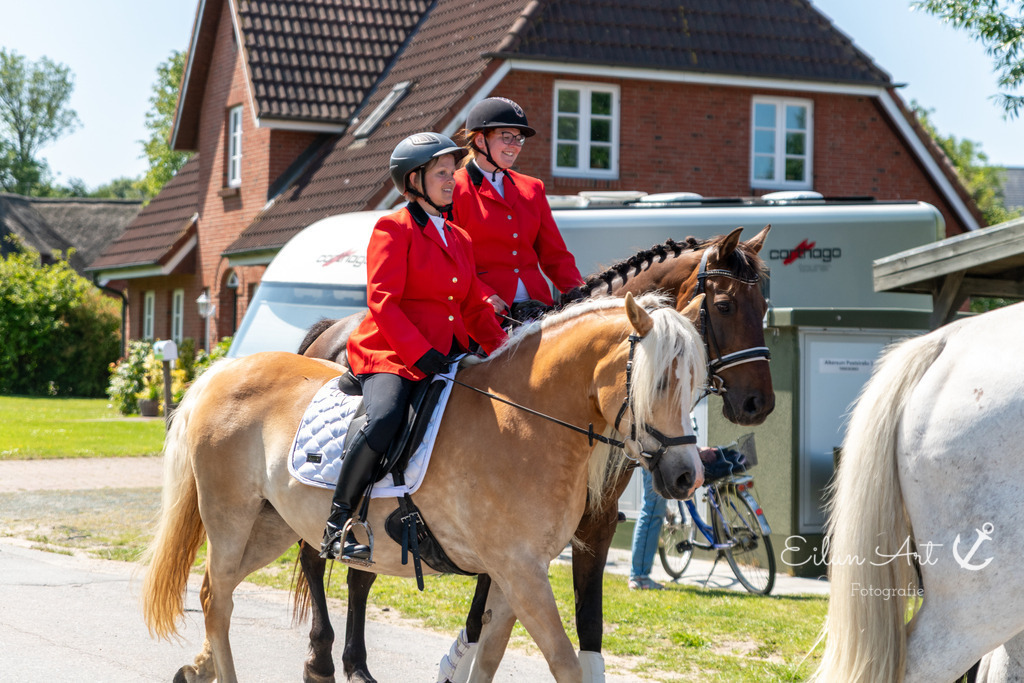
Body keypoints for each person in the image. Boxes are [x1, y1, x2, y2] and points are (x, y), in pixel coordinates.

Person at [321, 132, 508, 561]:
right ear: (413, 181)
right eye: (442, 173)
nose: (451, 181)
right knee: (384, 418)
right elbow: (382, 302)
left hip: (447, 352)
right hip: (392, 351)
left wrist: (505, 351)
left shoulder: (459, 237)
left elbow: (473, 306)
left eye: (453, 173)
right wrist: (421, 356)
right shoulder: (393, 227)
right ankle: (338, 520)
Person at [452, 97, 584, 318]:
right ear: (481, 140)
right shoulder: (453, 189)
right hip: (485, 311)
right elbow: (452, 262)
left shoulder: (533, 188)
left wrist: (580, 293)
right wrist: (482, 294)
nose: (514, 145)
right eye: (506, 137)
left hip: (538, 305)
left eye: (518, 138)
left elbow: (555, 255)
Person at [629, 445, 749, 589]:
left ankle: (639, 576)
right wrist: (695, 449)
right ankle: (639, 577)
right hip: (655, 454)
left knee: (652, 508)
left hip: (659, 452)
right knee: (652, 509)